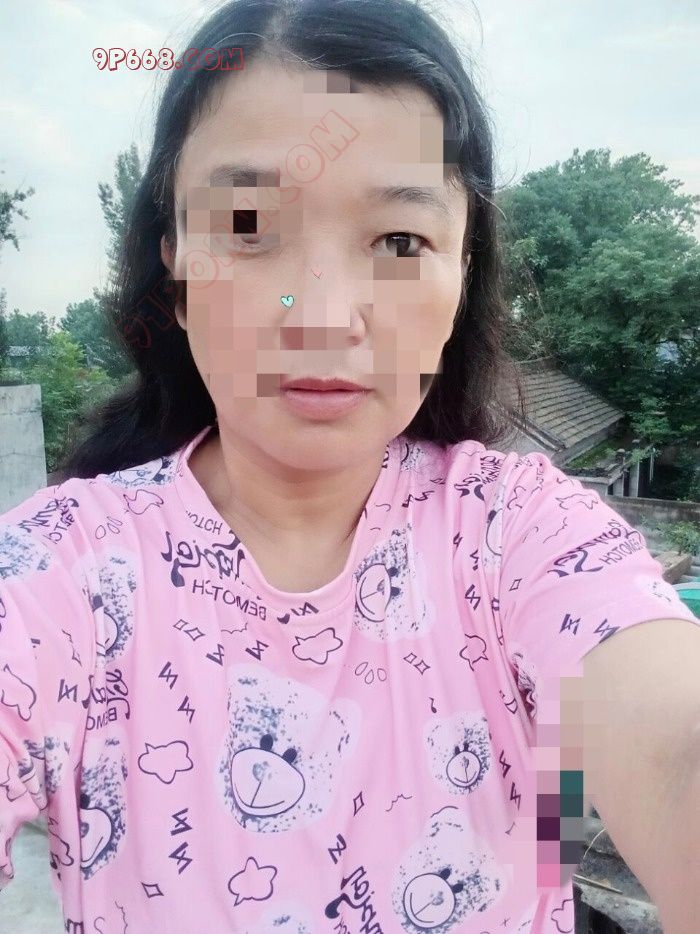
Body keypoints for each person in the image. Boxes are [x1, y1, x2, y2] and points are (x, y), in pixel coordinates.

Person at [1, 1, 697, 931]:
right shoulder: (60, 579)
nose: (325, 317)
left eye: (400, 241)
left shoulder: (524, 540)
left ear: (461, 272)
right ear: (175, 269)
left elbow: (673, 751)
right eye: (248, 225)